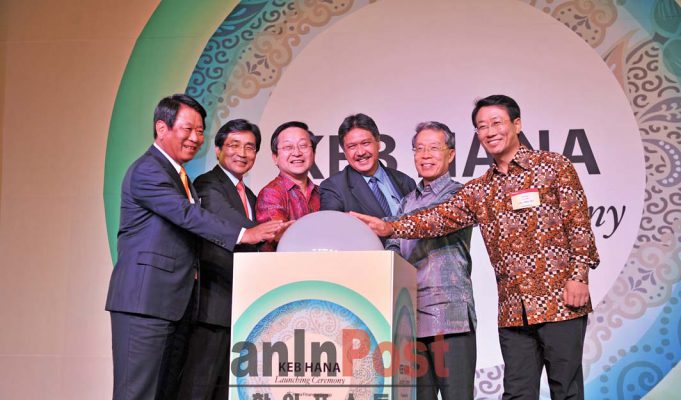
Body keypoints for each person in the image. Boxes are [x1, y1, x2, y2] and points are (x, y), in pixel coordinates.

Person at [353, 95, 599, 400]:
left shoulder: (552, 166)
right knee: (517, 394)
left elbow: (578, 224)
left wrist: (579, 277)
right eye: (482, 126)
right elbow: (438, 218)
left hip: (559, 299)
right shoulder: (480, 189)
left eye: (496, 123)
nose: (490, 131)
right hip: (513, 310)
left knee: (567, 390)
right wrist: (390, 227)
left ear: (517, 124)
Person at [105, 95, 286, 400]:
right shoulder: (149, 170)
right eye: (187, 129)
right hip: (145, 303)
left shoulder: (180, 176)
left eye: (200, 131)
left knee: (163, 392)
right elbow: (187, 215)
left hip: (173, 305)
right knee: (137, 392)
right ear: (162, 128)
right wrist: (245, 234)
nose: (195, 138)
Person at [385, 121, 475, 400]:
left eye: (434, 148)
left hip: (450, 316)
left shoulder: (459, 195)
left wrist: (389, 226)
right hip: (410, 316)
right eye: (419, 149)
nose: (425, 155)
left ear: (451, 154)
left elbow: (432, 221)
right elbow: (393, 245)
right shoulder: (406, 201)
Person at [178, 119, 263, 399]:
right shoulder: (207, 184)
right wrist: (271, 231)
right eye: (234, 145)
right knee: (199, 387)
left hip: (239, 307)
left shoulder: (250, 195)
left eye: (250, 147)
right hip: (212, 307)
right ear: (218, 150)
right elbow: (234, 224)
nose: (242, 153)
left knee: (225, 391)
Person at [319, 113, 415, 224]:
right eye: (352, 146)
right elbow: (331, 228)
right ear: (344, 151)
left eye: (365, 143)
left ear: (378, 143)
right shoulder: (333, 188)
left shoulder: (406, 182)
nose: (360, 152)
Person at [255, 121, 321, 251]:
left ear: (313, 153)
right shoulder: (271, 193)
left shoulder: (321, 192)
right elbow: (280, 236)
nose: (297, 152)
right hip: (283, 263)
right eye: (288, 147)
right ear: (275, 157)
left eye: (303, 145)